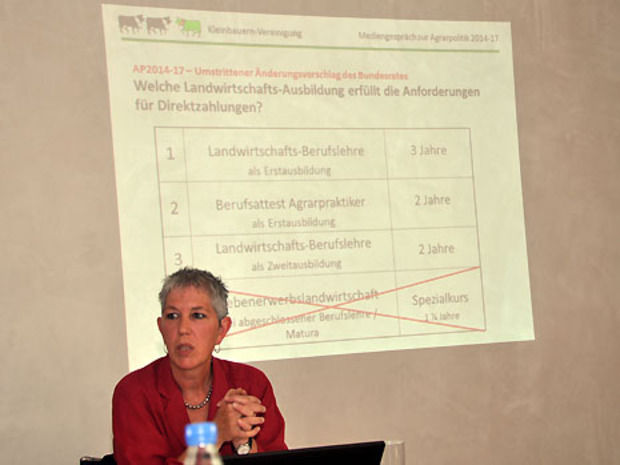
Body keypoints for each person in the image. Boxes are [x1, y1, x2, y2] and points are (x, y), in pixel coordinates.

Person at [112, 267, 287, 465]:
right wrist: (215, 435)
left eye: (197, 315)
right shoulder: (135, 392)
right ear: (161, 328)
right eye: (172, 316)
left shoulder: (251, 383)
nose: (183, 329)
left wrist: (243, 442)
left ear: (222, 329)